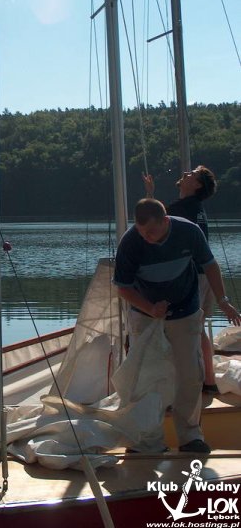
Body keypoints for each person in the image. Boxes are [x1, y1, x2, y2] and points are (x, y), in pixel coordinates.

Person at [114, 198, 241, 454]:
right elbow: (123, 287)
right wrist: (150, 308)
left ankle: (190, 437)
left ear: (165, 221)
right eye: (142, 231)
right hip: (145, 314)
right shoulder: (131, 242)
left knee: (189, 374)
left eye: (151, 231)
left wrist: (223, 300)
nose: (147, 237)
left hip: (185, 310)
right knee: (145, 377)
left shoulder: (188, 231)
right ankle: (146, 441)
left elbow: (209, 265)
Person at [143, 166, 218, 392]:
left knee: (188, 329)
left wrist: (149, 193)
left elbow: (154, 223)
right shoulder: (195, 208)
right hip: (203, 273)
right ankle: (209, 381)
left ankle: (192, 383)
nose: (186, 174)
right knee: (198, 328)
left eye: (192, 174)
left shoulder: (184, 208)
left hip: (192, 276)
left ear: (197, 185)